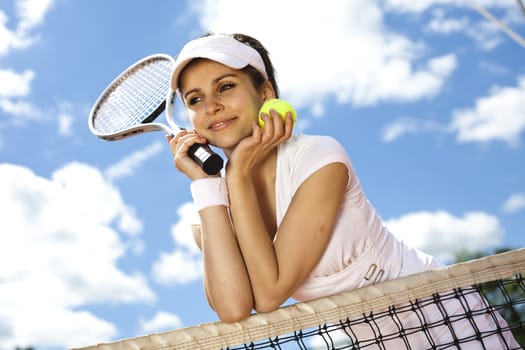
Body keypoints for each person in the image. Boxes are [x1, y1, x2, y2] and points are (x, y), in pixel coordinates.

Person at [167, 33, 520, 348]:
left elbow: (271, 292)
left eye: (225, 87)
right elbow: (233, 309)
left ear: (266, 93)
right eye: (195, 99)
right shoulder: (218, 197)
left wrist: (239, 174)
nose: (211, 106)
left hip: (450, 322)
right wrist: (207, 186)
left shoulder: (320, 157)